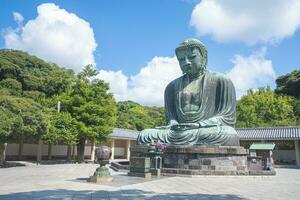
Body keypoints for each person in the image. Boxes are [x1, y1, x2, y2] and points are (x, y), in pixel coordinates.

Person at [137, 38, 239, 146]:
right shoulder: (172, 87)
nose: (186, 62)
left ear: (204, 57)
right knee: (145, 135)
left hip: (206, 130)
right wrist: (173, 123)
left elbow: (228, 118)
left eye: (192, 57)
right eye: (181, 59)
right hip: (179, 132)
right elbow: (171, 118)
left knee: (229, 134)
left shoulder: (221, 81)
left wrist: (199, 125)